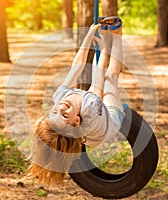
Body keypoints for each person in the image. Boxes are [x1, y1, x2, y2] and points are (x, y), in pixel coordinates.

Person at [28, 17, 125, 185]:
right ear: (77, 120)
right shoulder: (91, 108)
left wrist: (88, 36)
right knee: (110, 78)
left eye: (55, 112)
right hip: (110, 123)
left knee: (92, 87)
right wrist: (102, 51)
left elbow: (77, 65)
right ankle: (117, 33)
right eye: (65, 116)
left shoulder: (59, 99)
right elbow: (98, 80)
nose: (61, 108)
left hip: (90, 132)